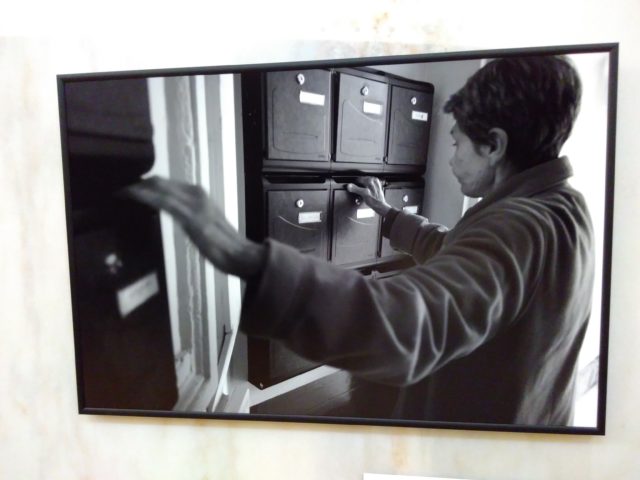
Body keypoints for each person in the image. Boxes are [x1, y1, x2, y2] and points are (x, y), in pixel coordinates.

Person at [129, 55, 594, 426]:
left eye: (456, 144)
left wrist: (250, 259)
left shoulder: (520, 225)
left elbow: (410, 325)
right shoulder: (564, 209)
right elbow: (463, 256)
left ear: (493, 145)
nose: (451, 159)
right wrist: (388, 215)